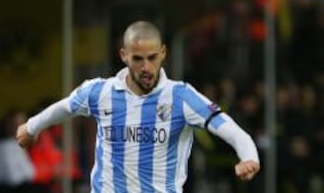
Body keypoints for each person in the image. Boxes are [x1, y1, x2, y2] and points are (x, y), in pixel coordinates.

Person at [16, 20, 260, 193]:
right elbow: (67, 106)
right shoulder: (100, 91)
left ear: (163, 53)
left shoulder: (182, 97)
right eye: (138, 59)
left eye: (152, 58)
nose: (146, 67)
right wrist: (31, 127)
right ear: (124, 55)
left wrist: (249, 157)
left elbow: (233, 130)